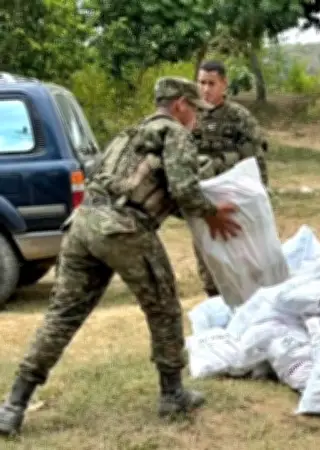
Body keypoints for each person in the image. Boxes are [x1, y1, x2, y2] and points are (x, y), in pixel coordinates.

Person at [0, 77, 242, 436]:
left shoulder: (130, 135)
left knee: (62, 316)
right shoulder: (174, 134)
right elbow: (184, 190)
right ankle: (173, 394)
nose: (197, 118)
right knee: (163, 307)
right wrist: (212, 213)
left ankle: (13, 405)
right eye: (195, 109)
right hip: (123, 228)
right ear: (180, 105)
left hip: (83, 224)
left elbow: (149, 190)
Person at [193, 60, 269, 298]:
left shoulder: (239, 117)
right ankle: (214, 299)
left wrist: (259, 198)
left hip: (233, 200)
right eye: (202, 83)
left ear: (224, 84)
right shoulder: (190, 115)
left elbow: (255, 161)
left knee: (242, 258)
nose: (206, 89)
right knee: (208, 259)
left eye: (211, 83)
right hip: (203, 202)